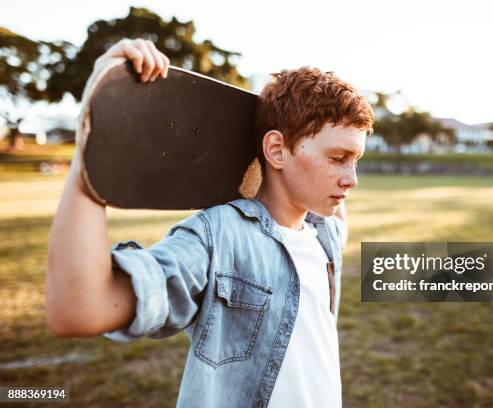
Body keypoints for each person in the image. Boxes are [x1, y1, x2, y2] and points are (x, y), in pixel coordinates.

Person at [46, 38, 374, 407]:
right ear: (277, 150)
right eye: (338, 157)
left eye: (356, 160)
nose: (352, 178)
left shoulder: (323, 232)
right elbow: (79, 310)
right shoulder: (219, 238)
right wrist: (92, 144)